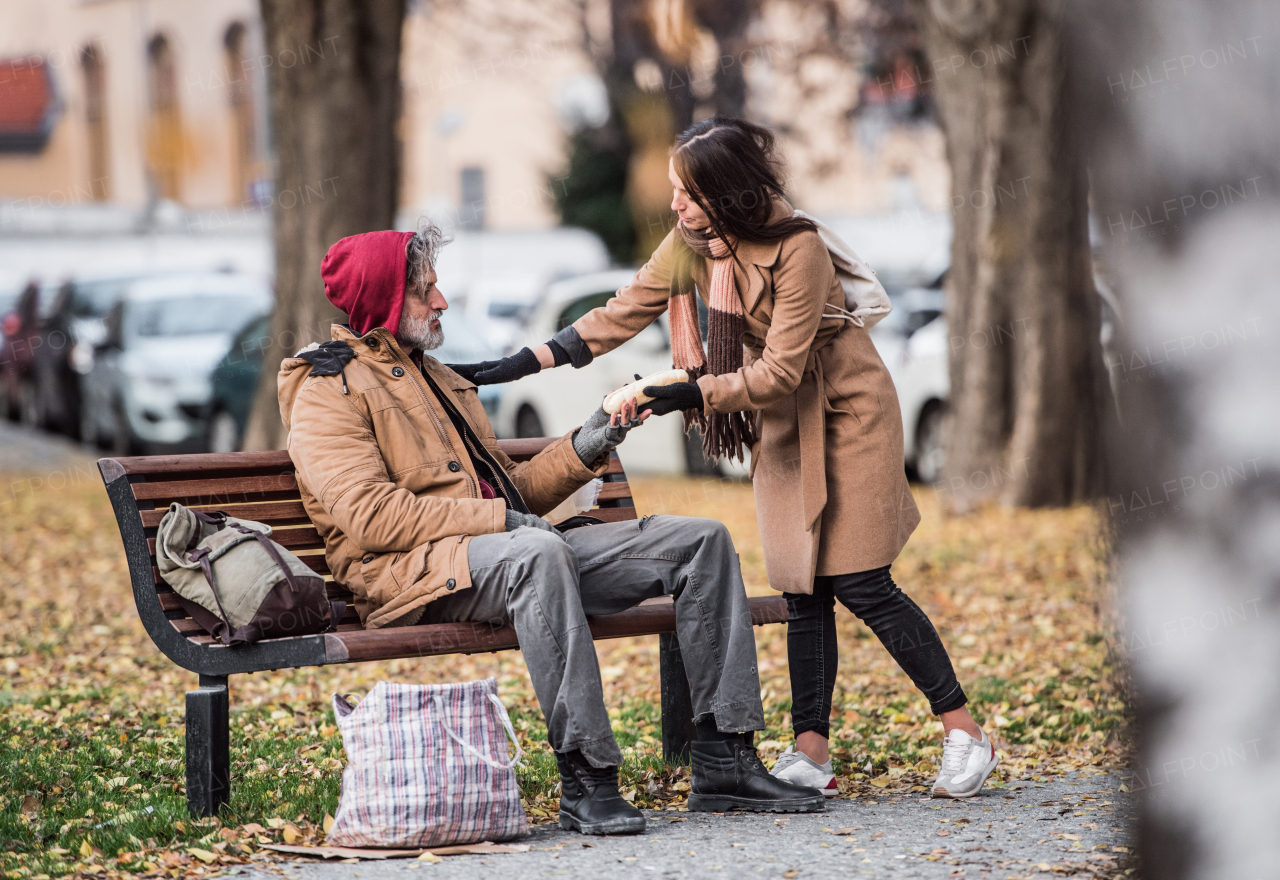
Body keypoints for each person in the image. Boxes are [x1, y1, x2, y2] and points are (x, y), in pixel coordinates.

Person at [449, 118, 998, 800]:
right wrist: (511, 364)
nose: (675, 204)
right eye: (677, 190)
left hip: (844, 413)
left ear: (727, 192)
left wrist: (684, 390)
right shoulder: (693, 244)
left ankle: (964, 731)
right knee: (803, 590)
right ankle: (810, 752)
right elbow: (622, 311)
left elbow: (780, 373)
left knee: (860, 581)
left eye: (689, 192)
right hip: (784, 429)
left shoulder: (797, 248)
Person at [278, 222, 826, 837]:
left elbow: (513, 493)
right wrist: (502, 520)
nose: (442, 301)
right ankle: (587, 777)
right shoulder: (327, 385)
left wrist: (594, 437)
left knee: (700, 541)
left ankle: (724, 759)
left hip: (507, 555)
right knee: (537, 551)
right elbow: (371, 517)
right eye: (426, 290)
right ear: (382, 299)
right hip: (411, 576)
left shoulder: (437, 377)